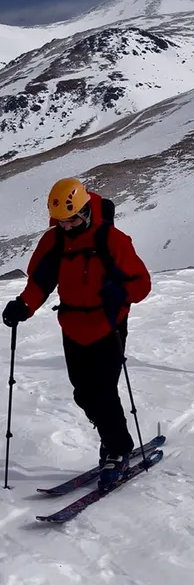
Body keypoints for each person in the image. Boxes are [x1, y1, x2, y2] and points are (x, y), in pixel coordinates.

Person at [1, 178, 151, 489]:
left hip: (108, 324)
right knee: (83, 394)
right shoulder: (54, 241)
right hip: (72, 326)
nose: (66, 227)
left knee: (103, 391)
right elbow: (40, 282)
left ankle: (118, 449)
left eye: (71, 220)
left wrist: (120, 292)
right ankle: (110, 436)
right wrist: (23, 306)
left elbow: (142, 283)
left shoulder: (112, 240)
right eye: (61, 222)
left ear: (85, 211)